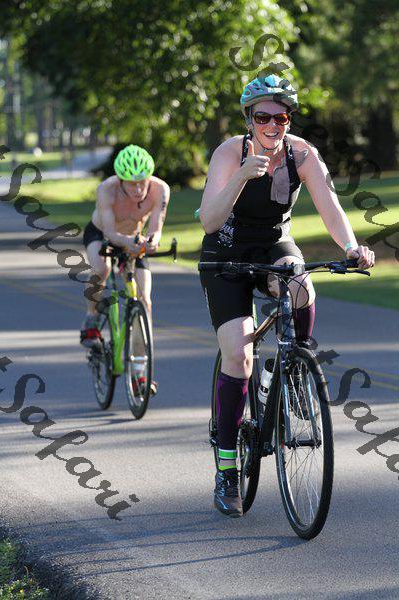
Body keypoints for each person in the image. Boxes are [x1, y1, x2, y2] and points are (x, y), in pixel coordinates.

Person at [198, 74, 375, 518]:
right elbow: (209, 220)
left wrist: (351, 247)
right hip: (225, 253)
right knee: (238, 352)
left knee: (300, 285)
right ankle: (227, 469)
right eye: (263, 117)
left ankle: (292, 365)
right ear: (249, 119)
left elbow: (330, 206)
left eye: (281, 118)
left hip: (274, 244)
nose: (273, 125)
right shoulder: (229, 153)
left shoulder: (302, 154)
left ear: (289, 121)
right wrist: (242, 175)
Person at [80, 144, 170, 350]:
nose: (138, 190)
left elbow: (156, 229)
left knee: (144, 298)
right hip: (101, 233)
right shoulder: (106, 189)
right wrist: (129, 242)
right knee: (101, 269)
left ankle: (140, 362)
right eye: (131, 184)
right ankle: (91, 318)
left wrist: (152, 241)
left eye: (142, 183)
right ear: (120, 180)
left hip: (134, 239)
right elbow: (110, 233)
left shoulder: (160, 190)